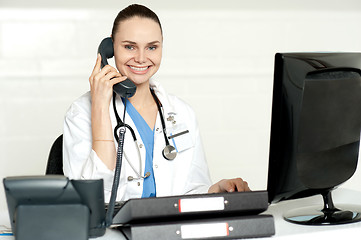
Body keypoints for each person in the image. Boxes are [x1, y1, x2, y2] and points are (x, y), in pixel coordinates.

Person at [63, 4, 250, 202]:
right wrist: (100, 107)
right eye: (129, 47)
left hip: (171, 227)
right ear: (109, 49)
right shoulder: (81, 113)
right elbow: (89, 202)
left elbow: (190, 191)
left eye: (152, 47)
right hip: (113, 230)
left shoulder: (182, 112)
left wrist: (215, 190)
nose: (141, 58)